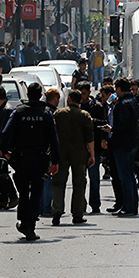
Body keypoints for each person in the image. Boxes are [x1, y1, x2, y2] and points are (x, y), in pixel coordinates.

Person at [0, 82, 60, 241]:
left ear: (27, 94)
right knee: (36, 193)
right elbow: (54, 140)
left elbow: (4, 135)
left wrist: (7, 154)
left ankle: (24, 221)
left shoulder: (18, 112)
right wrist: (56, 161)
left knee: (24, 192)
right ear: (40, 95)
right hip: (39, 159)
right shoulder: (47, 114)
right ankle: (30, 225)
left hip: (21, 159)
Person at [51, 89, 95, 226]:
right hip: (80, 155)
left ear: (69, 99)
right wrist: (92, 154)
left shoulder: (58, 114)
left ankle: (57, 211)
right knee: (79, 184)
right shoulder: (85, 115)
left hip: (61, 154)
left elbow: (52, 135)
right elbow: (89, 138)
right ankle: (77, 214)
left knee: (59, 183)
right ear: (80, 100)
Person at [102, 77, 139, 217]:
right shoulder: (133, 101)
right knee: (130, 176)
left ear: (119, 89)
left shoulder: (123, 104)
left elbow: (122, 125)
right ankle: (131, 205)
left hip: (123, 144)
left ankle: (128, 206)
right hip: (132, 143)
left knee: (125, 176)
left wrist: (111, 129)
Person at [79, 81, 109, 213]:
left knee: (94, 177)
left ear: (89, 93)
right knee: (79, 179)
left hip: (94, 146)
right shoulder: (75, 105)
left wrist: (92, 121)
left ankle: (95, 204)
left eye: (84, 93)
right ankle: (80, 205)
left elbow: (105, 123)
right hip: (79, 147)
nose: (81, 96)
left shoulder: (97, 106)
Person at [0, 86, 19, 210]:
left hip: (5, 147)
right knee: (0, 171)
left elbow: (5, 132)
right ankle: (4, 198)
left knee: (2, 172)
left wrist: (2, 148)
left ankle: (12, 196)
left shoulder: (7, 111)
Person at [39, 89, 61, 217]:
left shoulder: (42, 111)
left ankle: (41, 206)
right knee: (47, 180)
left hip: (39, 150)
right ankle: (46, 207)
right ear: (55, 99)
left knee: (41, 179)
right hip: (48, 151)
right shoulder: (52, 113)